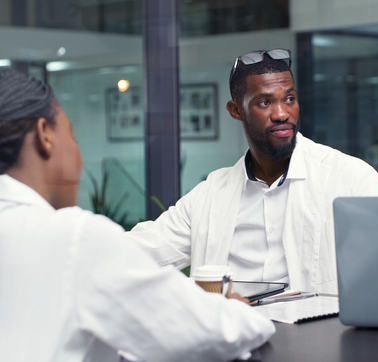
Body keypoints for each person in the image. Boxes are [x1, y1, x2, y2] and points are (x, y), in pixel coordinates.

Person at [0, 68, 274, 361]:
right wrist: (237, 311)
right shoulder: (74, 238)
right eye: (73, 137)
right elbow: (207, 332)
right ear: (45, 135)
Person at [127, 49, 378, 294]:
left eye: (289, 99)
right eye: (264, 103)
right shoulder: (210, 195)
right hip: (237, 336)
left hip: (318, 337)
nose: (281, 113)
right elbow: (137, 253)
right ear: (235, 111)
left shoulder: (348, 177)